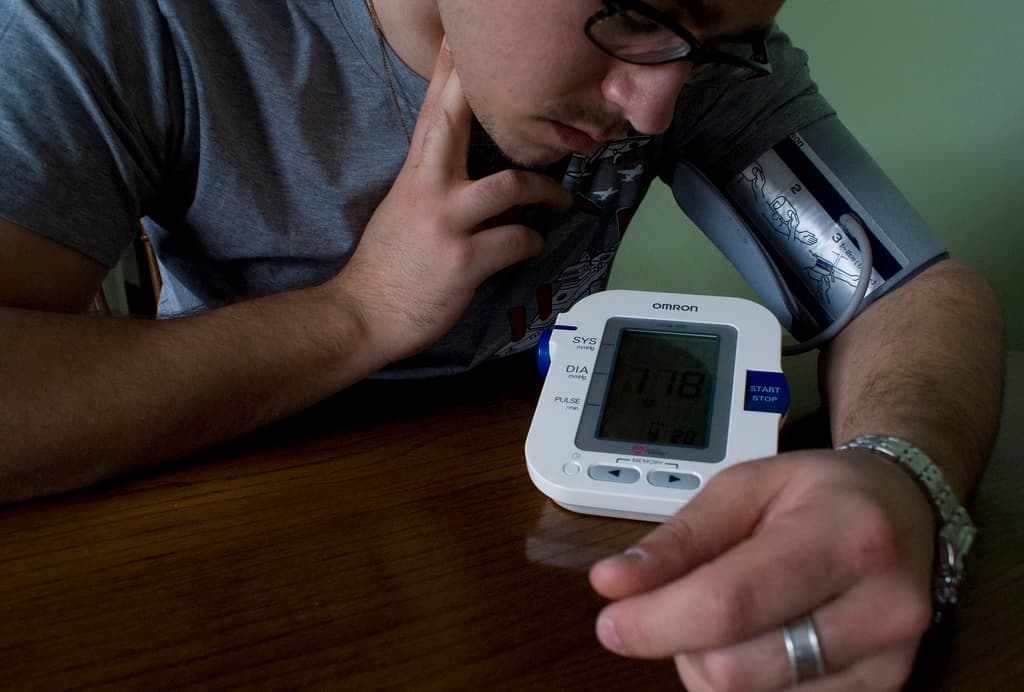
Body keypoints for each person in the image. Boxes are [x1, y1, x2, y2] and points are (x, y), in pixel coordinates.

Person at [0, 0, 1004, 689]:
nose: (655, 107)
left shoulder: (688, 60)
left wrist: (900, 471)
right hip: (222, 574)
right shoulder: (127, 28)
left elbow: (909, 287)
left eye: (712, 41)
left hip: (537, 566)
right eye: (633, 10)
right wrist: (356, 314)